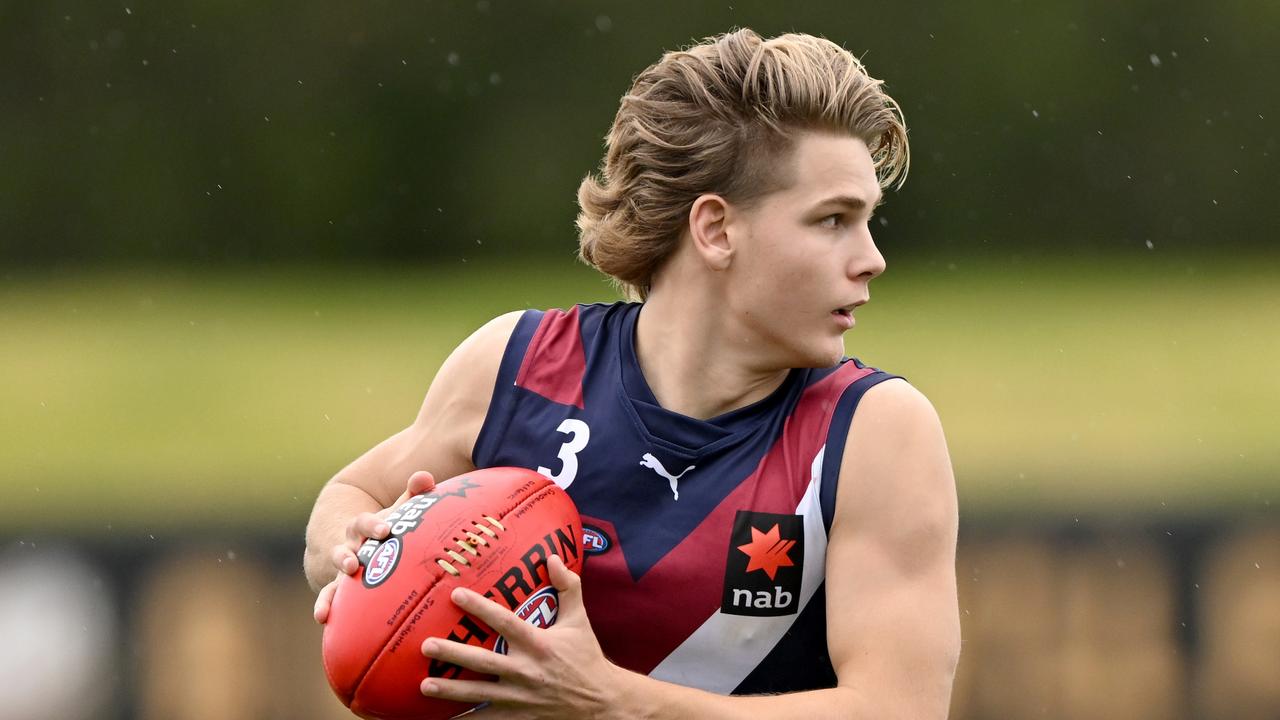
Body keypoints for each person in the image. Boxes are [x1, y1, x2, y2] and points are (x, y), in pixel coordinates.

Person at [304, 28, 959, 718]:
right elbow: (352, 496)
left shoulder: (875, 434)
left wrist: (614, 701)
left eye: (867, 221)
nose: (872, 259)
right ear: (715, 229)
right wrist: (358, 551)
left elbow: (900, 710)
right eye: (833, 220)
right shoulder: (517, 366)